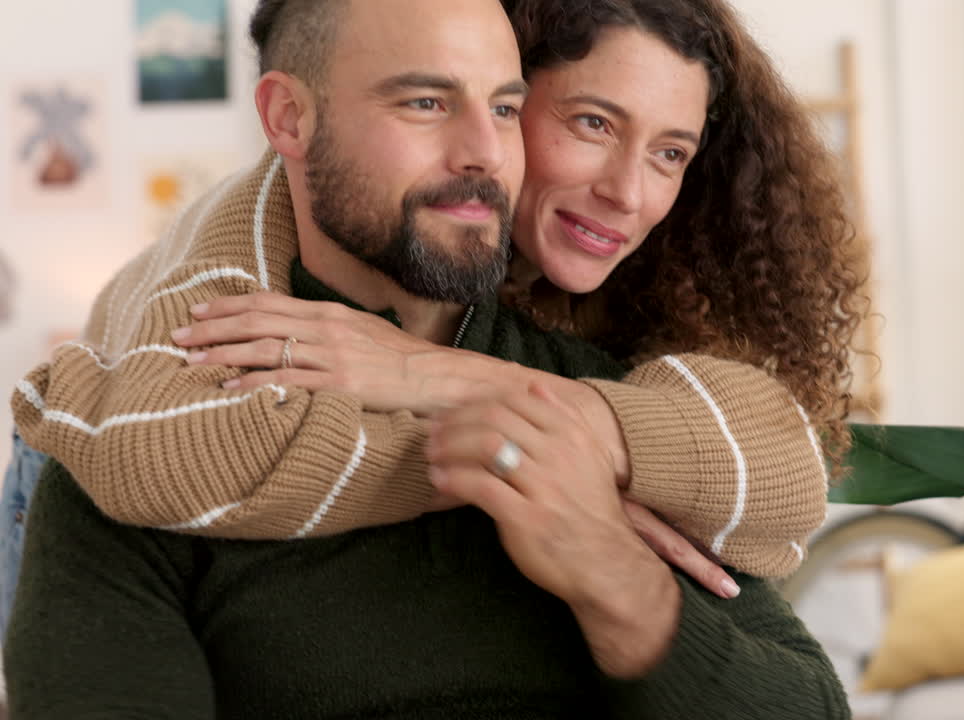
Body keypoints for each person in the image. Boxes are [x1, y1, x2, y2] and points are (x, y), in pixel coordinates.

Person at [4, 0, 852, 717]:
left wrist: (627, 591)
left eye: (506, 108)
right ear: (289, 119)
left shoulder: (601, 404)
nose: (484, 152)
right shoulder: (138, 440)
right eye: (424, 103)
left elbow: (812, 694)